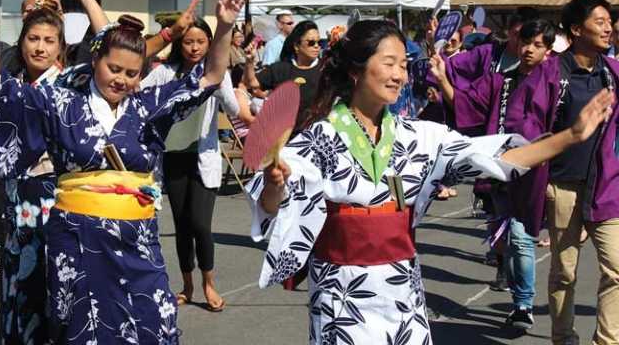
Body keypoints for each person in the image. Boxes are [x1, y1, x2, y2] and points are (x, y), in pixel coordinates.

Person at [246, 19, 612, 345]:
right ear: (357, 71)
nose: (399, 75)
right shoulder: (319, 138)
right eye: (388, 64)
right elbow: (272, 204)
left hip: (402, 288)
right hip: (341, 292)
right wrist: (276, 185)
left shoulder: (420, 137)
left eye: (403, 65)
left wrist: (570, 136)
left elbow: (498, 160)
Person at [0, 0, 244, 344]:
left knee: (153, 325)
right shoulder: (59, 101)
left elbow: (209, 76)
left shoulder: (148, 106)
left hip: (137, 240)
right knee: (83, 331)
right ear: (94, 61)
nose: (121, 79)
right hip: (77, 238)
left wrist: (224, 27)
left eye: (132, 74)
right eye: (114, 68)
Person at [505, 0, 619, 345]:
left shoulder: (613, 73)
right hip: (562, 187)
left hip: (606, 188)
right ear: (575, 29)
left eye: (609, 21)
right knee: (565, 272)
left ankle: (607, 340)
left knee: (617, 269)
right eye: (599, 21)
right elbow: (521, 122)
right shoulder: (551, 73)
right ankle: (564, 338)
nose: (608, 27)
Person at [432, 19, 556, 329]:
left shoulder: (556, 82)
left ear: (549, 50)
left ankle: (524, 303)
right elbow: (465, 102)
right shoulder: (501, 81)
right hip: (499, 169)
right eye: (526, 42)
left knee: (521, 237)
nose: (529, 49)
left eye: (538, 44)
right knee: (505, 242)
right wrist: (442, 77)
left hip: (537, 172)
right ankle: (519, 296)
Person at [142, 17, 239, 313]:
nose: (194, 47)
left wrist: (219, 82)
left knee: (200, 223)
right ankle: (187, 285)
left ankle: (209, 283)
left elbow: (234, 109)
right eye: (188, 41)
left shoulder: (216, 72)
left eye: (200, 41)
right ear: (178, 44)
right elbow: (138, 94)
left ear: (210, 43)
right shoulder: (166, 73)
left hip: (204, 157)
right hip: (172, 158)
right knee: (182, 225)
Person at [244, 20, 322, 130]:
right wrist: (249, 62)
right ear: (296, 46)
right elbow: (251, 83)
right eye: (311, 42)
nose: (316, 46)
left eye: (319, 42)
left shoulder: (326, 71)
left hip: (315, 139)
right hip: (281, 138)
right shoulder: (281, 69)